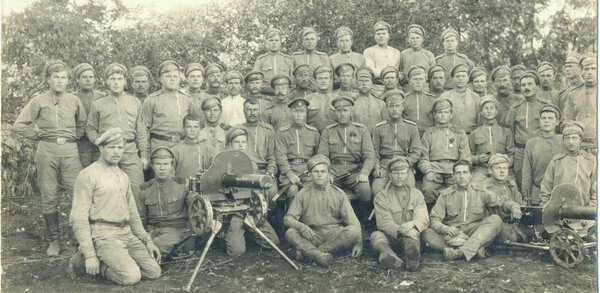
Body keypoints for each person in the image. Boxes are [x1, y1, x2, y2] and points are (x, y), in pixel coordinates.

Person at [68, 128, 161, 285]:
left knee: (153, 271)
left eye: (120, 147)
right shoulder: (88, 175)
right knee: (131, 277)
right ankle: (88, 262)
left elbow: (132, 213)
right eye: (111, 147)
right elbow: (78, 217)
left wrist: (147, 240)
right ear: (101, 148)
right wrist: (90, 255)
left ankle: (113, 260)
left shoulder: (123, 176)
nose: (116, 152)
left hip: (125, 233)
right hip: (104, 235)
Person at [13, 60, 86, 257]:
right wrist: (37, 135)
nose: (60, 81)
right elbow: (19, 125)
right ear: (48, 79)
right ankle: (55, 240)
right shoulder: (39, 101)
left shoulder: (74, 101)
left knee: (79, 192)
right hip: (46, 150)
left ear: (68, 80)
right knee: (49, 194)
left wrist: (72, 138)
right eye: (56, 77)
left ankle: (81, 239)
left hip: (70, 150)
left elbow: (82, 124)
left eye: (63, 77)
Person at [422, 161, 521, 262]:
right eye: (458, 173)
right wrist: (446, 228)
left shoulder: (480, 191)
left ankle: (459, 252)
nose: (462, 176)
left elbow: (501, 201)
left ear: (471, 175)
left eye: (465, 172)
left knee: (495, 220)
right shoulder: (445, 195)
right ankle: (474, 249)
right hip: (452, 233)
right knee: (426, 232)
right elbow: (434, 219)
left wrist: (514, 207)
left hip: (474, 232)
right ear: (453, 176)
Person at [284, 155, 362, 267]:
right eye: (315, 172)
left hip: (333, 235)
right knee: (291, 233)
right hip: (312, 235)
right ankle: (319, 255)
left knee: (353, 231)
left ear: (329, 174)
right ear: (310, 174)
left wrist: (359, 244)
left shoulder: (338, 193)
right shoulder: (303, 193)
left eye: (323, 172)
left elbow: (353, 222)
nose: (319, 175)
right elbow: (288, 219)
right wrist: (301, 227)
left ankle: (313, 253)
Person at [87, 63, 148, 200]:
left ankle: (137, 221)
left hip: (130, 151)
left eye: (119, 79)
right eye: (112, 79)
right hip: (108, 151)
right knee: (106, 191)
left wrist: (144, 155)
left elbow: (141, 131)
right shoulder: (98, 104)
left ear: (125, 81)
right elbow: (90, 128)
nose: (116, 82)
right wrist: (98, 141)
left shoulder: (135, 102)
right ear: (107, 81)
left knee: (137, 190)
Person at [223, 127, 281, 256]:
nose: (240, 145)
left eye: (243, 142)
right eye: (237, 142)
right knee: (237, 251)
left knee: (273, 243)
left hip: (250, 211)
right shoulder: (222, 164)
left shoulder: (252, 165)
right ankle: (230, 231)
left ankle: (248, 232)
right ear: (229, 144)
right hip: (233, 212)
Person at [317, 96, 376, 225]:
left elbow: (370, 156)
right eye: (338, 111)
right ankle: (331, 224)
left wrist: (364, 173)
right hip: (334, 170)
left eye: (345, 110)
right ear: (335, 113)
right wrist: (327, 172)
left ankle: (363, 222)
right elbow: (322, 156)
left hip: (355, 171)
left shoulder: (362, 130)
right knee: (324, 188)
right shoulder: (328, 131)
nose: (342, 114)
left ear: (351, 112)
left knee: (365, 189)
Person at [138, 147, 195, 260]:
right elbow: (141, 219)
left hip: (177, 231)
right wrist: (144, 237)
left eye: (165, 164)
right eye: (158, 164)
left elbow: (194, 210)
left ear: (171, 165)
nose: (162, 168)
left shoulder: (183, 185)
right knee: (137, 246)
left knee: (155, 246)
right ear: (153, 166)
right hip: (152, 231)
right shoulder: (144, 189)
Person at [371, 157, 428, 271]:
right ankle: (391, 257)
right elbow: (384, 223)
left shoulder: (417, 194)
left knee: (413, 238)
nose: (399, 176)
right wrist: (401, 229)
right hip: (392, 237)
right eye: (396, 173)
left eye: (402, 173)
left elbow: (423, 218)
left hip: (411, 236)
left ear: (408, 175)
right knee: (376, 236)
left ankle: (412, 260)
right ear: (390, 175)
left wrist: (412, 225)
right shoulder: (381, 197)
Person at [419, 98, 471, 210]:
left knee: (458, 188)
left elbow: (465, 157)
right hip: (434, 169)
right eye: (440, 112)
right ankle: (431, 216)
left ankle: (454, 216)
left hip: (453, 169)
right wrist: (428, 170)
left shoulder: (459, 132)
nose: (443, 115)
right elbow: (423, 157)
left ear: (451, 115)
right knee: (428, 188)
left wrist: (459, 171)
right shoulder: (429, 133)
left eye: (446, 112)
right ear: (435, 115)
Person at [504, 70, 552, 188]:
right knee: (522, 184)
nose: (526, 88)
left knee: (542, 183)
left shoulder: (546, 106)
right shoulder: (515, 108)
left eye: (530, 84)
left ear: (537, 86)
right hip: (520, 152)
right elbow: (509, 132)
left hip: (540, 151)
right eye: (523, 85)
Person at [372, 89, 422, 195]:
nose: (394, 109)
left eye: (398, 106)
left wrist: (407, 162)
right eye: (391, 106)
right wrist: (377, 167)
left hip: (404, 164)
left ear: (402, 107)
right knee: (377, 190)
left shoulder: (411, 127)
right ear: (387, 108)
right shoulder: (379, 128)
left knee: (409, 189)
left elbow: (416, 151)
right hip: (385, 165)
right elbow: (374, 151)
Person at [142, 60, 196, 154]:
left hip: (182, 145)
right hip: (160, 145)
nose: (172, 79)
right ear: (160, 79)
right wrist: (145, 153)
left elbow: (194, 124)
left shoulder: (187, 99)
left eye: (175, 76)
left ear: (179, 78)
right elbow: (144, 129)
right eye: (168, 76)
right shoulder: (152, 100)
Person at [275, 97, 320, 205]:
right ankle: (291, 219)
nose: (298, 115)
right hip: (289, 172)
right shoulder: (282, 132)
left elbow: (318, 156)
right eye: (295, 111)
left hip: (308, 172)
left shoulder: (313, 132)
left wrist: (312, 171)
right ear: (291, 112)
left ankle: (310, 220)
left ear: (306, 113)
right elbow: (280, 157)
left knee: (313, 190)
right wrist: (290, 174)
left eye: (301, 111)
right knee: (293, 190)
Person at [540, 121, 596, 207]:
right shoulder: (556, 162)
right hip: (559, 213)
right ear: (563, 140)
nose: (570, 142)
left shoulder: (591, 161)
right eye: (567, 138)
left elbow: (596, 193)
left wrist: (588, 212)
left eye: (574, 138)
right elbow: (545, 191)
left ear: (580, 139)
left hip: (584, 215)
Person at [521, 104, 565, 205]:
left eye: (550, 118)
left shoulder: (563, 141)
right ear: (539, 121)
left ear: (557, 122)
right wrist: (526, 197)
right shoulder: (532, 143)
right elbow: (526, 173)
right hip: (538, 193)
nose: (546, 121)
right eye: (543, 118)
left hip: (560, 193)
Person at [238, 98, 278, 201]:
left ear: (259, 111)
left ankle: (267, 216)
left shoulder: (268, 130)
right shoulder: (238, 130)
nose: (252, 113)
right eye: (249, 109)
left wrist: (270, 173)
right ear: (243, 111)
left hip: (264, 171)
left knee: (272, 193)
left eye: (255, 109)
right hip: (245, 173)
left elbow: (272, 157)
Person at [469, 96, 515, 184]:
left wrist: (503, 164)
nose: (489, 111)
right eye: (486, 109)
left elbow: (511, 154)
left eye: (492, 108)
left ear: (496, 111)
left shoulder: (506, 131)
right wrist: (478, 159)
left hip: (501, 167)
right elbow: (469, 156)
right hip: (482, 169)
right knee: (474, 186)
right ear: (481, 113)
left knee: (512, 186)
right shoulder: (475, 133)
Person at [482, 154, 526, 243]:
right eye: (498, 168)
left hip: (514, 222)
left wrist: (521, 206)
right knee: (513, 237)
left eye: (505, 168)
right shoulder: (485, 187)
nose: (502, 171)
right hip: (496, 225)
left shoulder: (511, 184)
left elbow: (519, 201)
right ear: (490, 170)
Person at [563, 53, 597, 153]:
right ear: (581, 71)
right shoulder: (573, 93)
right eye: (586, 69)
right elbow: (568, 121)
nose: (590, 72)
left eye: (593, 68)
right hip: (580, 147)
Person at [72, 63, 104, 168]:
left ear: (95, 80)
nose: (88, 80)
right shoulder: (71, 98)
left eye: (91, 77)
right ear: (77, 80)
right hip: (80, 145)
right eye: (84, 77)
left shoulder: (103, 97)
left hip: (100, 144)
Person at [364, 20, 401, 98]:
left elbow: (396, 73)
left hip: (393, 88)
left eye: (384, 33)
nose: (381, 36)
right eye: (378, 34)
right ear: (374, 36)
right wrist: (389, 72)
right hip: (376, 89)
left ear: (388, 35)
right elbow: (371, 71)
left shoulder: (396, 52)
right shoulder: (369, 51)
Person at [171, 114, 215, 178]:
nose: (192, 130)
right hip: (182, 187)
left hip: (204, 186)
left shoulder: (208, 149)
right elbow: (170, 176)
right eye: (189, 127)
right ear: (183, 128)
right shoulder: (176, 150)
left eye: (196, 127)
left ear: (200, 128)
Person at [440, 63, 480, 134]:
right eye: (457, 76)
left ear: (468, 78)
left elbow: (479, 119)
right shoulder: (445, 96)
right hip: (451, 135)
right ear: (453, 78)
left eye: (463, 76)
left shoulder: (475, 97)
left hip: (471, 135)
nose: (460, 78)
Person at [253, 28, 294, 96]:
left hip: (284, 96)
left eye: (276, 40)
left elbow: (292, 83)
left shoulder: (288, 60)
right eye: (271, 40)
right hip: (266, 95)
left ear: (280, 43)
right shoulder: (261, 60)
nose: (274, 43)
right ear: (267, 42)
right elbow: (255, 81)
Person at [351, 66, 388, 133]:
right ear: (356, 83)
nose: (364, 83)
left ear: (371, 83)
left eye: (367, 81)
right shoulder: (351, 103)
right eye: (361, 81)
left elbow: (385, 127)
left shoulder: (381, 104)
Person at [403, 66, 436, 136]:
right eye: (415, 79)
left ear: (425, 81)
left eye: (421, 79)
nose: (418, 82)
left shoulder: (432, 99)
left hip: (428, 135)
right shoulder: (403, 99)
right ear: (409, 82)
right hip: (408, 135)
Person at [307, 64, 337, 132]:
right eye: (320, 78)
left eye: (326, 78)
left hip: (332, 138)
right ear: (316, 80)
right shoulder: (308, 99)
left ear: (330, 80)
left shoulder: (337, 99)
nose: (323, 81)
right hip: (313, 138)